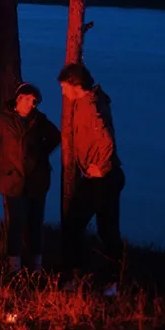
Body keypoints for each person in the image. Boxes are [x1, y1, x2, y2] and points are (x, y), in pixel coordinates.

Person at [0, 82, 61, 274]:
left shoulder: (40, 120)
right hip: (12, 181)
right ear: (19, 99)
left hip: (37, 181)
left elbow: (56, 137)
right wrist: (4, 157)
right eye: (30, 100)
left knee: (36, 222)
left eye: (35, 101)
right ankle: (14, 267)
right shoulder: (0, 120)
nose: (33, 104)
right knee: (16, 222)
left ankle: (36, 267)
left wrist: (40, 155)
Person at [57, 62, 125, 297]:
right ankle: (109, 281)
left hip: (102, 179)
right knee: (104, 229)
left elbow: (105, 138)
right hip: (104, 177)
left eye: (64, 87)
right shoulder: (93, 100)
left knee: (77, 224)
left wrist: (100, 167)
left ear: (75, 85)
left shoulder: (89, 106)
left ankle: (82, 279)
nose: (63, 93)